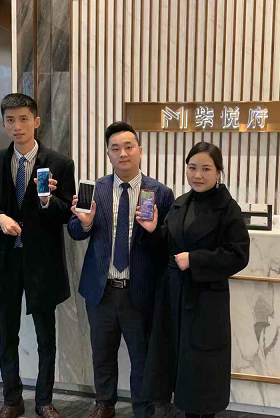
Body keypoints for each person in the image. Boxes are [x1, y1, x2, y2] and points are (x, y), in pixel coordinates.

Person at [67, 122, 174, 418]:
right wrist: (85, 222)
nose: (123, 153)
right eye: (115, 149)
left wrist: (153, 231)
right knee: (102, 355)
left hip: (139, 291)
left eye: (128, 147)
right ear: (108, 154)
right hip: (101, 291)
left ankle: (143, 409)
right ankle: (104, 405)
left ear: (140, 150)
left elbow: (168, 244)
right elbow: (75, 230)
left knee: (142, 358)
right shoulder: (96, 189)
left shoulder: (160, 193)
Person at [0, 93, 75, 418]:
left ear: (36, 121)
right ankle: (12, 400)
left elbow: (67, 213)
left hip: (42, 263)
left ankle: (44, 400)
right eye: (10, 120)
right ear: (3, 124)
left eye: (23, 119)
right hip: (6, 261)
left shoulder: (60, 163)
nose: (17, 126)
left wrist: (47, 200)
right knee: (8, 334)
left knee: (46, 336)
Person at [139, 142, 250, 418]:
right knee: (181, 369)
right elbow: (167, 247)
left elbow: (238, 255)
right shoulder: (181, 203)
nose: (197, 175)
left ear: (219, 172)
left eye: (206, 169)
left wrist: (196, 259)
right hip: (173, 297)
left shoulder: (228, 209)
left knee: (202, 371)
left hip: (205, 302)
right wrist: (153, 231)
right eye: (192, 168)